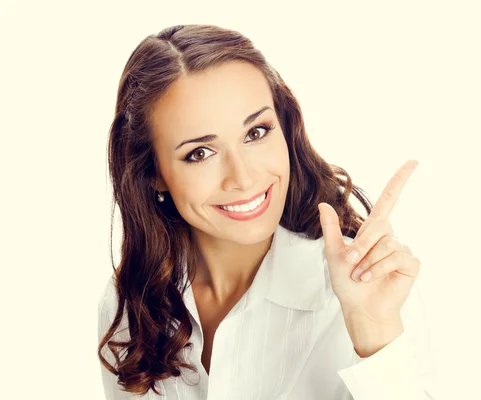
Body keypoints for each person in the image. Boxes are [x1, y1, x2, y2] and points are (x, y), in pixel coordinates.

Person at [97, 24, 439, 400]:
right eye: (200, 153)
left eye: (256, 132)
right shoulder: (130, 301)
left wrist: (374, 334)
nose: (243, 177)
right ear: (153, 174)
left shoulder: (366, 288)